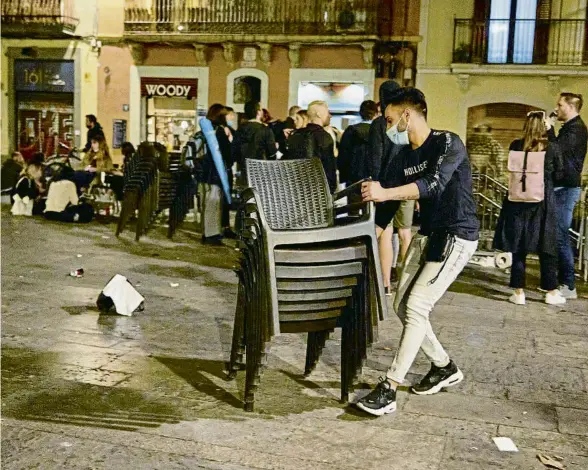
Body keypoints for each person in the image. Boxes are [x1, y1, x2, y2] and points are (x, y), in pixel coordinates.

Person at [357, 87, 479, 416]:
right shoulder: (402, 157)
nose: (386, 126)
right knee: (401, 304)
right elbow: (385, 211)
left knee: (416, 306)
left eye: (390, 119)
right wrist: (364, 241)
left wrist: (385, 192)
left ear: (407, 116)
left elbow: (434, 184)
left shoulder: (447, 142)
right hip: (429, 235)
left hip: (457, 234)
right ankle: (443, 366)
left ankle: (390, 387)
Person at [493, 111, 566, 305]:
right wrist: (551, 134)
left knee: (518, 247)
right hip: (543, 202)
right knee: (546, 246)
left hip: (517, 201)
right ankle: (550, 292)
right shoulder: (551, 147)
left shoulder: (515, 145)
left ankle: (518, 292)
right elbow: (560, 174)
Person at [545, 92, 587, 300]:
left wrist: (549, 129)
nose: (556, 108)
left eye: (559, 105)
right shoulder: (571, 128)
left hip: (566, 188)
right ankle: (562, 281)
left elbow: (556, 151)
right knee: (557, 235)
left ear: (570, 107)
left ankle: (569, 285)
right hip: (563, 187)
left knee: (560, 236)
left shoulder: (576, 130)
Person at [369, 80, 408, 294]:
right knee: (405, 233)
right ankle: (401, 282)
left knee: (383, 231)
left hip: (385, 185)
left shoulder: (379, 124)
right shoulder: (405, 121)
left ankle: (383, 282)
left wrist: (375, 183)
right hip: (408, 184)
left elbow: (375, 158)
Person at [286, 100, 337, 193]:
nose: (330, 115)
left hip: (295, 190)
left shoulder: (295, 135)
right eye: (327, 112)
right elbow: (329, 169)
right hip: (317, 192)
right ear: (319, 114)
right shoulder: (324, 137)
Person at [200, 103, 233, 243]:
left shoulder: (205, 130)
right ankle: (211, 235)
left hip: (204, 172)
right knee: (214, 203)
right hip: (216, 173)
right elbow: (228, 154)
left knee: (207, 204)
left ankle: (207, 232)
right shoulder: (219, 131)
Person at [232, 100, 278, 184]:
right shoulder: (265, 130)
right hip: (260, 168)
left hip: (244, 167)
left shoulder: (240, 129)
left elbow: (234, 151)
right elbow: (272, 152)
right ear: (258, 112)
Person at [338, 100, 379, 187]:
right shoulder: (379, 132)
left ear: (360, 113)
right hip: (376, 181)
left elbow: (343, 156)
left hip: (353, 180)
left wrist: (344, 178)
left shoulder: (351, 131)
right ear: (376, 114)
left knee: (355, 200)